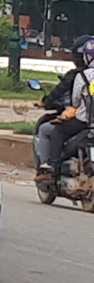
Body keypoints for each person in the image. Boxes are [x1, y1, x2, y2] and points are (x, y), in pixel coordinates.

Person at [34, 39, 94, 181]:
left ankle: (52, 168)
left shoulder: (82, 75)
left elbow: (75, 101)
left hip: (84, 121)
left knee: (57, 131)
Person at [38, 35, 93, 115]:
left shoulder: (78, 75)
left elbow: (73, 100)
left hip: (82, 116)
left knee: (46, 127)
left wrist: (46, 102)